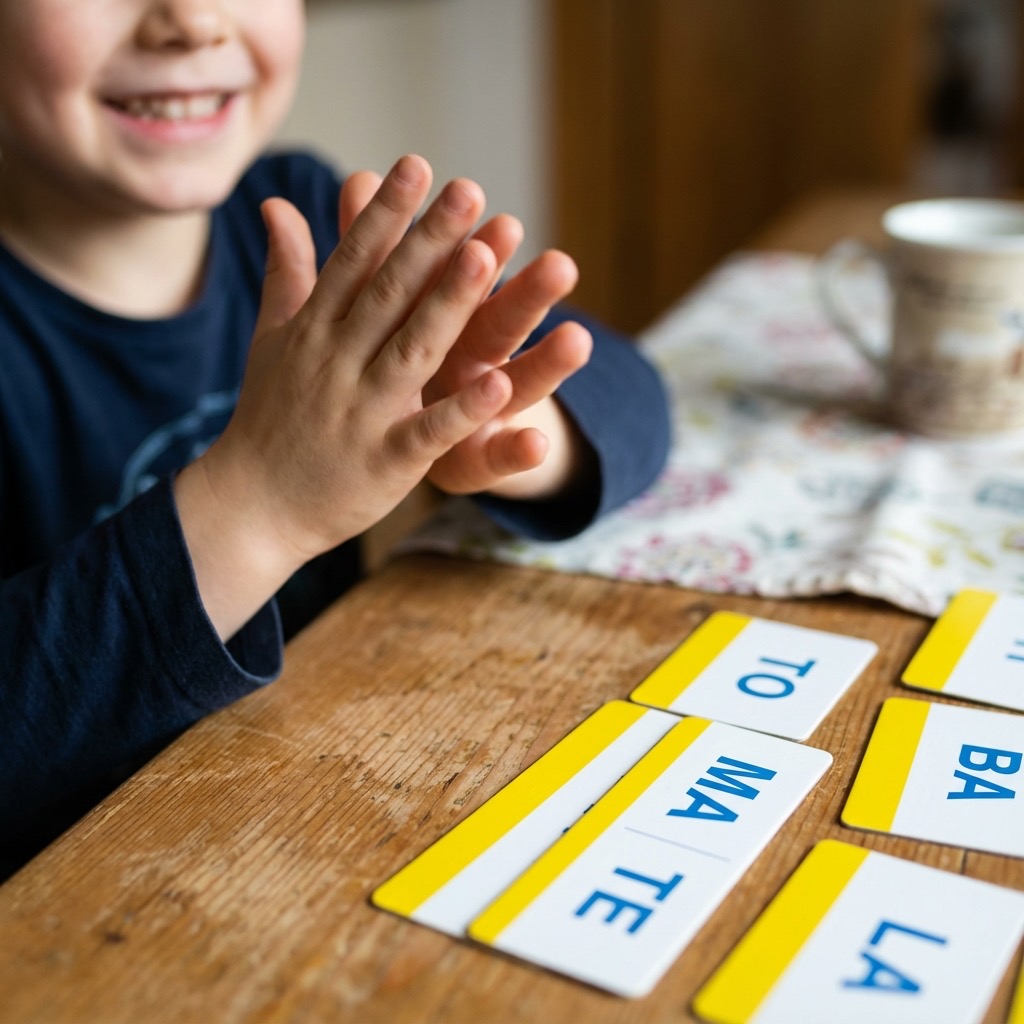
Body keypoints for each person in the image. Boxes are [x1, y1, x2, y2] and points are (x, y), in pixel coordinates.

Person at [0, 0, 670, 880]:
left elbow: (633, 396)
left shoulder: (309, 216)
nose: (193, 21)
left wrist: (499, 412)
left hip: (328, 822)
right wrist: (262, 507)